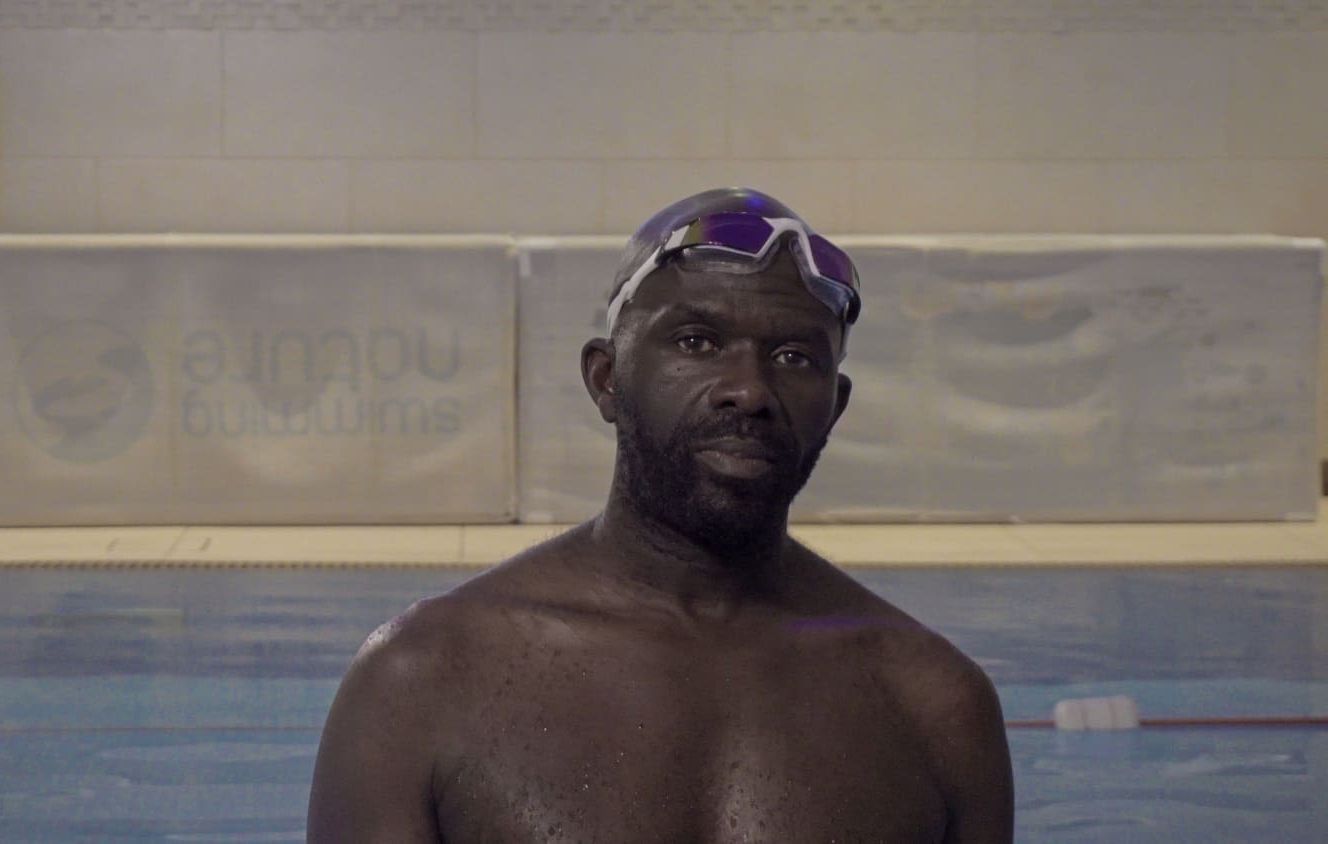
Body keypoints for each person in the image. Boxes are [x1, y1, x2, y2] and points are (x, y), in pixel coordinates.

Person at [307, 188, 1014, 842]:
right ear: (606, 379)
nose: (749, 390)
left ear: (837, 404)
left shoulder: (934, 706)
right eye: (697, 343)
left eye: (795, 355)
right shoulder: (424, 680)